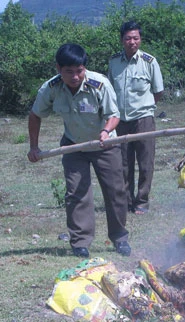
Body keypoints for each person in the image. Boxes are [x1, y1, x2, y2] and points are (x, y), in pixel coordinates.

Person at [27, 43, 131, 258]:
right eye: (69, 72)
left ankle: (120, 238)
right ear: (58, 69)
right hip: (73, 144)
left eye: (79, 70)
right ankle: (80, 242)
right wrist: (33, 147)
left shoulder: (99, 84)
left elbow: (114, 115)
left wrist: (105, 131)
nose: (75, 76)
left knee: (115, 192)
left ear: (84, 68)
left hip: (105, 144)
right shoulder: (51, 88)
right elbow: (35, 115)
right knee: (77, 193)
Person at [108, 21, 164, 215]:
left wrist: (145, 107)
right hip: (120, 120)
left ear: (140, 40)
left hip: (143, 119)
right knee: (123, 164)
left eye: (135, 38)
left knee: (145, 162)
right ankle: (126, 201)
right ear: (122, 40)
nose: (132, 42)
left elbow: (158, 92)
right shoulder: (114, 62)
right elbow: (109, 91)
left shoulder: (149, 62)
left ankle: (141, 201)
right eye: (128, 38)